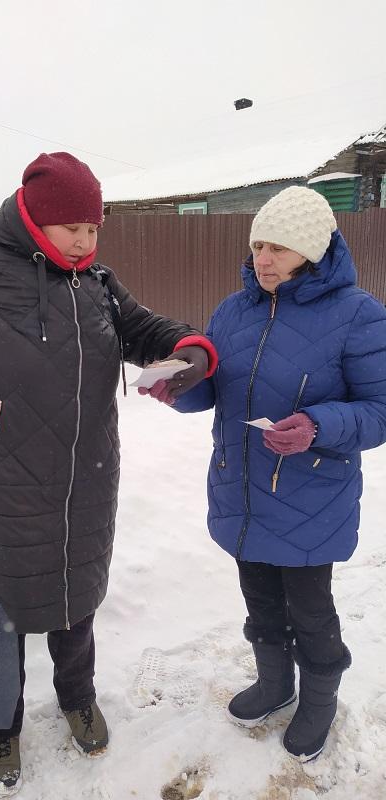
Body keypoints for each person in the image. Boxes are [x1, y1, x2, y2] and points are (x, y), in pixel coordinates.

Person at [0, 151, 217, 795]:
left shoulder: (97, 284)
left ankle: (78, 697)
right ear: (33, 219)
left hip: (86, 483)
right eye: (72, 226)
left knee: (76, 603)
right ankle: (1, 722)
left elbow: (146, 330)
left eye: (93, 227)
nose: (85, 238)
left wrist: (188, 348)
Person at [140, 186, 386, 762]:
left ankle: (319, 700)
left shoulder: (359, 315)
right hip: (242, 491)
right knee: (260, 601)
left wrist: (319, 425)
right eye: (257, 246)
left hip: (310, 500)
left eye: (278, 247)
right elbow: (218, 393)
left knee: (310, 609)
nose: (263, 259)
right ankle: (276, 684)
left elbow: (379, 412)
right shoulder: (233, 311)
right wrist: (178, 387)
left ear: (312, 250)